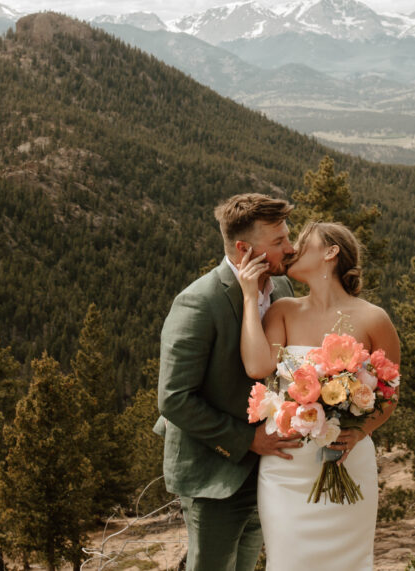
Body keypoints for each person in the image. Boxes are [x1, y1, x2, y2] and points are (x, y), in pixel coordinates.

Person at [235, 221, 401, 571]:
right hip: (287, 469)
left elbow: (391, 393)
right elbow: (257, 365)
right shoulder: (283, 311)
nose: (292, 249)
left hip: (348, 462)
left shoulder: (374, 319)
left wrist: (360, 430)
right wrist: (251, 296)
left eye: (302, 242)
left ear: (330, 252)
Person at [156, 193, 303, 571]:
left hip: (266, 469)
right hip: (214, 472)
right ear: (243, 248)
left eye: (288, 237)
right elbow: (173, 399)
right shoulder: (198, 302)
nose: (291, 248)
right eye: (279, 242)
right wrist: (247, 439)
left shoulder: (282, 291)